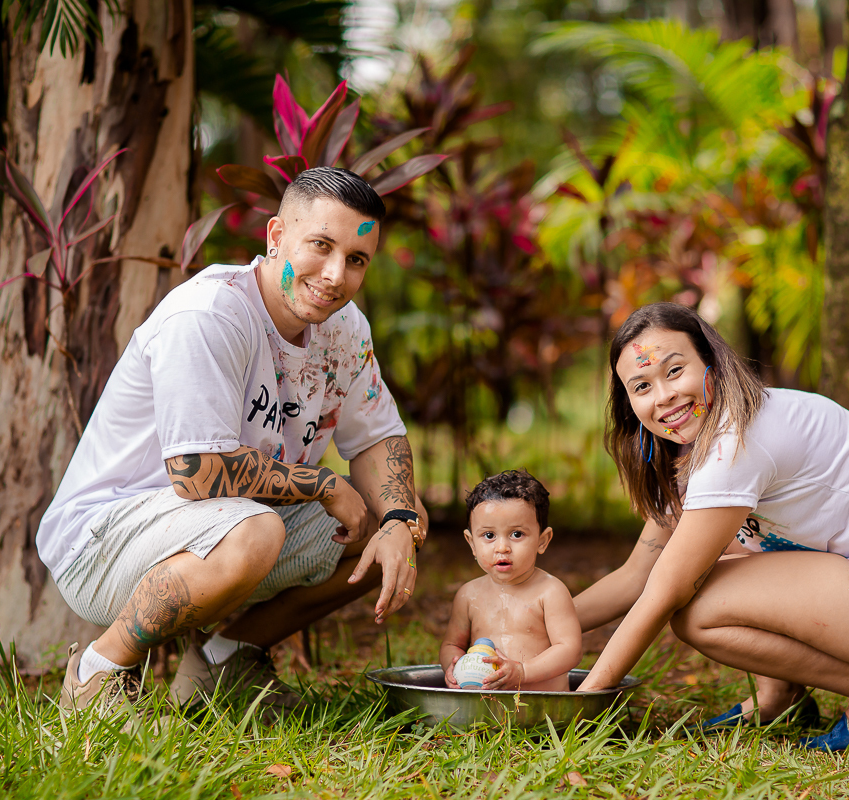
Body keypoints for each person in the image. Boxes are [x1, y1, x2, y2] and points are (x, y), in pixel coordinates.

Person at [37, 167, 426, 716]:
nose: (336, 275)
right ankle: (99, 673)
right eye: (320, 245)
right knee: (256, 531)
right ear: (275, 237)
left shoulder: (344, 328)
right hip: (103, 541)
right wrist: (321, 482)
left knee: (401, 515)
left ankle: (224, 663)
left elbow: (379, 438)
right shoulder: (210, 315)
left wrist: (396, 522)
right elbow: (197, 472)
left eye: (357, 259)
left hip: (229, 522)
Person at [573, 302, 849, 750]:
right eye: (642, 386)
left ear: (711, 362)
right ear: (629, 403)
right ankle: (778, 695)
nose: (664, 395)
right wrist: (536, 631)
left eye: (675, 371)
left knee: (693, 602)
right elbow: (637, 575)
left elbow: (663, 589)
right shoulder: (696, 449)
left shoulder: (738, 441)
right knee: (707, 558)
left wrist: (586, 701)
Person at [440, 470, 582, 692]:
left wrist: (523, 671)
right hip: (485, 707)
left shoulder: (550, 592)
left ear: (542, 541)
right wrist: (453, 666)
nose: (502, 547)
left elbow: (569, 649)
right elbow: (452, 645)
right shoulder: (469, 595)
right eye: (489, 535)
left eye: (517, 534)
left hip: (541, 706)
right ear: (471, 543)